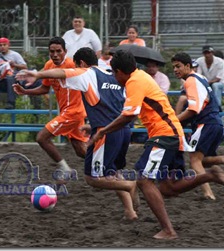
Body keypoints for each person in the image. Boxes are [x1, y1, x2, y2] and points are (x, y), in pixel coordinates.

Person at [89, 50, 224, 239]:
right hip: (173, 133)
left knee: (143, 179)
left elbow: (129, 115)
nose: (114, 77)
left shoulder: (135, 81)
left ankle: (168, 230)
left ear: (119, 71)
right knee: (169, 187)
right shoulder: (140, 76)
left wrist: (103, 130)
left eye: (113, 73)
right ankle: (210, 175)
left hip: (164, 134)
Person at [15, 47, 138, 220]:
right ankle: (130, 211)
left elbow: (62, 73)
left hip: (105, 132)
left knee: (92, 178)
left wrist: (37, 74)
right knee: (111, 171)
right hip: (123, 129)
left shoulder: (87, 73)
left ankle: (129, 185)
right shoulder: (112, 74)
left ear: (81, 63)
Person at [13, 37, 88, 173]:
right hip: (68, 112)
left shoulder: (72, 64)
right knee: (80, 150)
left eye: (58, 51)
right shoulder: (49, 65)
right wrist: (25, 91)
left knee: (42, 138)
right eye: (52, 51)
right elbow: (45, 89)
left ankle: (66, 170)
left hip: (73, 111)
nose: (55, 54)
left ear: (65, 51)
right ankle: (105, 165)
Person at [171, 52, 224, 200]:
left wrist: (174, 121)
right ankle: (223, 159)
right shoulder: (201, 78)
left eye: (178, 66)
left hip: (205, 123)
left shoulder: (190, 81)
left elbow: (193, 109)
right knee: (203, 160)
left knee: (194, 160)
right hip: (215, 122)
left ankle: (208, 192)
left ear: (188, 66)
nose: (175, 70)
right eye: (173, 67)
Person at [0, 37, 28, 109]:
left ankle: (11, 103)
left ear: (8, 45)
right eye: (0, 45)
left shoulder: (15, 55)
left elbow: (25, 67)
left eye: (4, 45)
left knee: (10, 77)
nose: (2, 47)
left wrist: (14, 65)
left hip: (15, 82)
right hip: (3, 80)